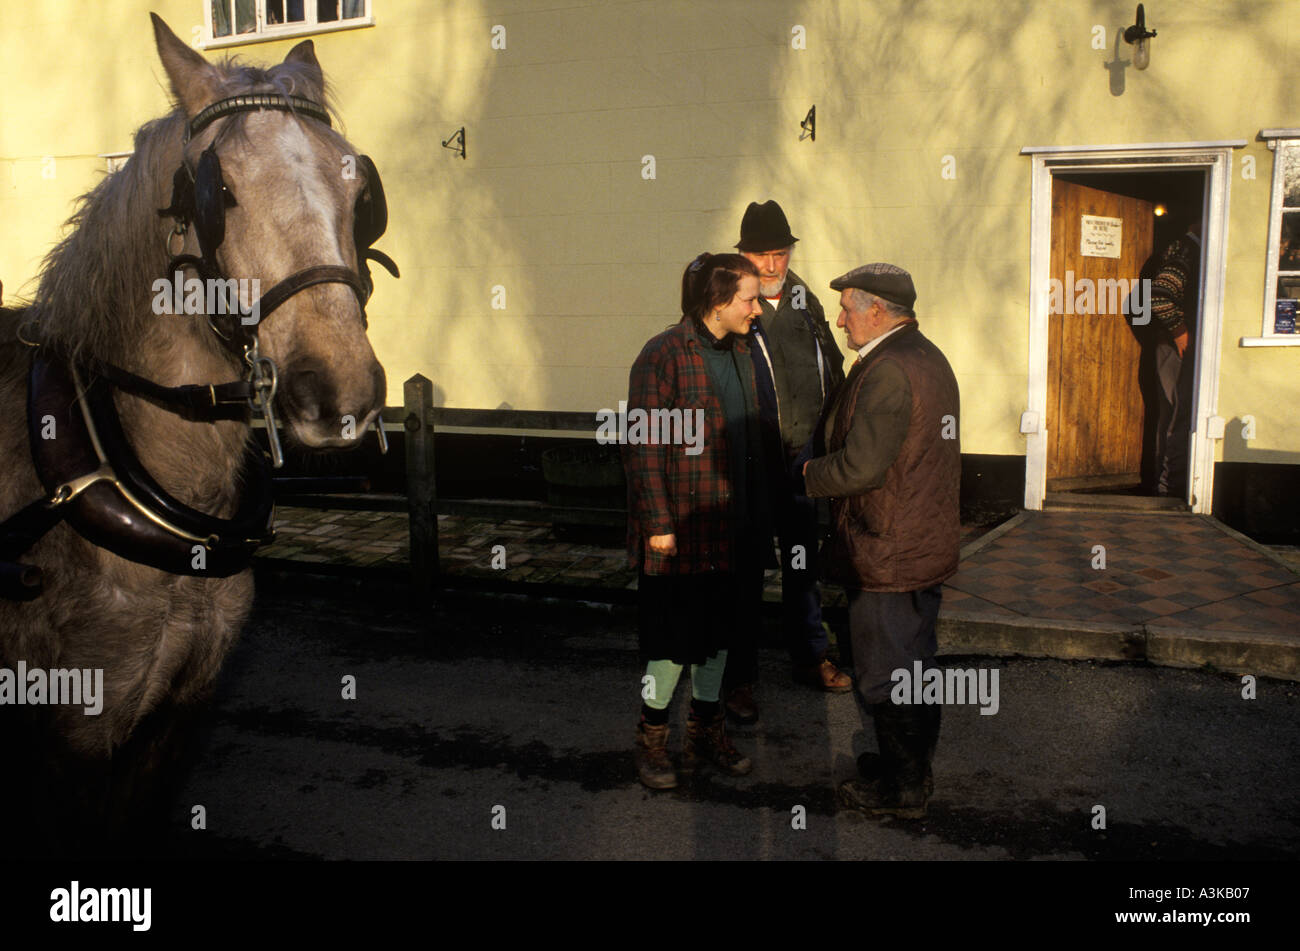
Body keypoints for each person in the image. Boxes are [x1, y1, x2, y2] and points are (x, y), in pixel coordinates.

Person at [802, 263, 960, 819]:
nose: (840, 319)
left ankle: (903, 790)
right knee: (914, 661)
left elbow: (861, 468)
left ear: (877, 311)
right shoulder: (923, 354)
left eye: (847, 308)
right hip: (917, 540)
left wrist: (804, 477)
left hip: (889, 548)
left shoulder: (890, 368)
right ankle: (908, 769)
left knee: (887, 670)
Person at [623, 252, 772, 790]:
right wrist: (657, 523)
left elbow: (753, 436)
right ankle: (651, 741)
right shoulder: (663, 355)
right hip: (680, 530)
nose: (758, 309)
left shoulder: (743, 351)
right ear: (717, 300)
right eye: (750, 298)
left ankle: (706, 732)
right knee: (669, 645)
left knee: (720, 638)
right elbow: (642, 450)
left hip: (733, 527)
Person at [724, 200, 850, 727]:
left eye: (780, 253)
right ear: (744, 256)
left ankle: (809, 656)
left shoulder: (806, 299)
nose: (772, 265)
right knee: (745, 572)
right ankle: (738, 680)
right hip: (754, 461)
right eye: (761, 254)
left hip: (803, 460)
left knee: (803, 567)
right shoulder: (734, 304)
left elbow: (833, 367)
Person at [1148, 219, 1201, 498]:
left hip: (1172, 347)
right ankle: (1169, 488)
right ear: (1199, 222)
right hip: (1174, 348)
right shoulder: (1186, 251)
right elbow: (1159, 295)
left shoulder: (1188, 250)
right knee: (1177, 416)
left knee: (1175, 415)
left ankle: (1168, 483)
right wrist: (1179, 332)